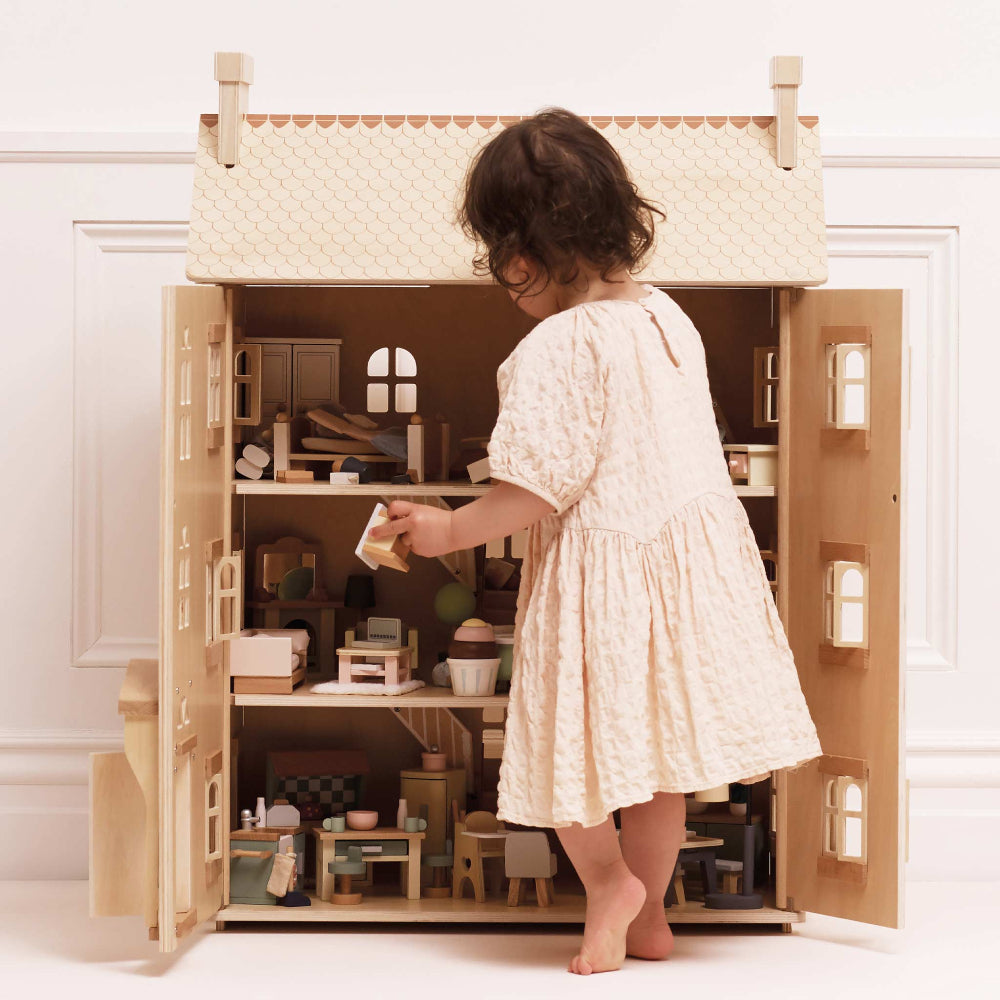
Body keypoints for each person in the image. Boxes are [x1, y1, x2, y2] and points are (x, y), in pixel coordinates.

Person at [366, 108, 823, 975]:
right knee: (658, 766)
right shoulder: (666, 318)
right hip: (684, 577)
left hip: (602, 581)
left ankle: (610, 887)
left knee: (565, 756)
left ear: (521, 257)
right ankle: (652, 921)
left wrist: (446, 529)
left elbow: (535, 489)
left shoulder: (559, 344)